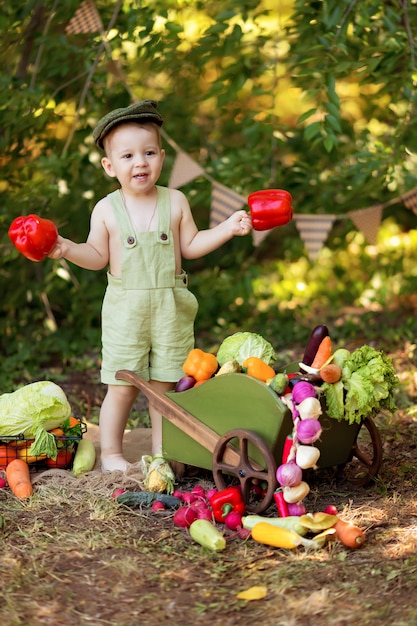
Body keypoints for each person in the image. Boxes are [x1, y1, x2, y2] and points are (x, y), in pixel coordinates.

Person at [49, 99, 253, 473]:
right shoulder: (107, 209)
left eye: (147, 153)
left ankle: (162, 453)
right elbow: (96, 255)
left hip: (170, 310)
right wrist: (67, 249)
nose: (139, 162)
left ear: (161, 156)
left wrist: (226, 228)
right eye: (127, 156)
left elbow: (190, 246)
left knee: (165, 387)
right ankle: (111, 452)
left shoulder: (174, 201)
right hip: (126, 311)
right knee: (123, 384)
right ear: (110, 167)